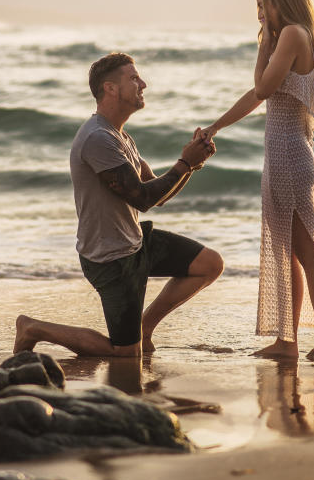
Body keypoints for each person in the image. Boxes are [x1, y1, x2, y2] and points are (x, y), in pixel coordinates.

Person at [14, 52, 223, 357]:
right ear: (110, 88)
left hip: (135, 243)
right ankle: (34, 328)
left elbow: (158, 194)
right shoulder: (98, 138)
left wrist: (192, 163)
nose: (144, 84)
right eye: (134, 78)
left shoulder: (120, 135)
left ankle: (144, 328)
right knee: (125, 355)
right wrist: (184, 163)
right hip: (110, 259)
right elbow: (142, 198)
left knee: (210, 264)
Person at [201, 0, 314, 361]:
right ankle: (287, 341)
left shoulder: (294, 34)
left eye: (264, 5)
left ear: (283, 1)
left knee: (308, 251)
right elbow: (257, 95)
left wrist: (264, 43)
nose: (260, 14)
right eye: (257, 7)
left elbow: (263, 88)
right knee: (288, 252)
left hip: (291, 158)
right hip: (279, 157)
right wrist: (216, 126)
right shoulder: (286, 37)